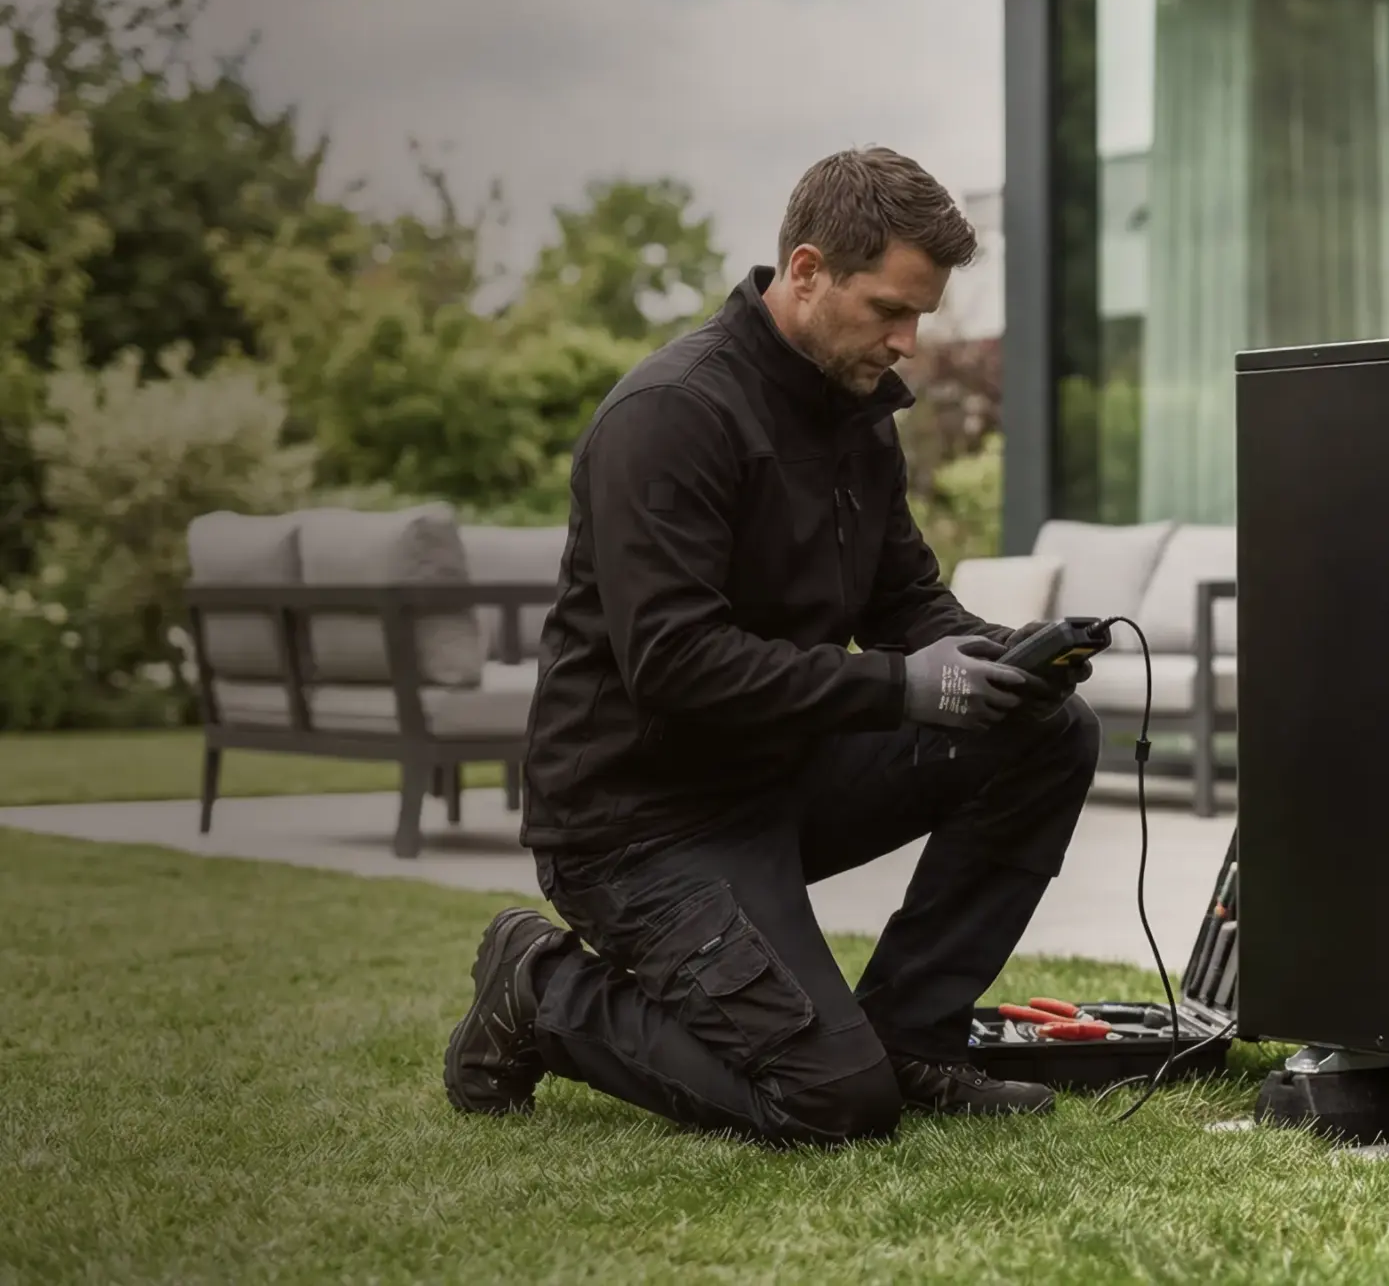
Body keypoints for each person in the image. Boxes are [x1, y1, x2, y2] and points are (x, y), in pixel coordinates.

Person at [441, 147, 1100, 1145]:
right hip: (637, 823)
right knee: (831, 1098)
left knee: (1050, 729)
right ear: (804, 272)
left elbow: (906, 601)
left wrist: (1004, 657)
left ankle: (913, 1034)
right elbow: (673, 662)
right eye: (888, 309)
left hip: (776, 781)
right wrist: (900, 690)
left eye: (918, 315)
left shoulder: (856, 417)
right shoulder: (671, 417)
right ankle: (537, 989)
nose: (908, 340)